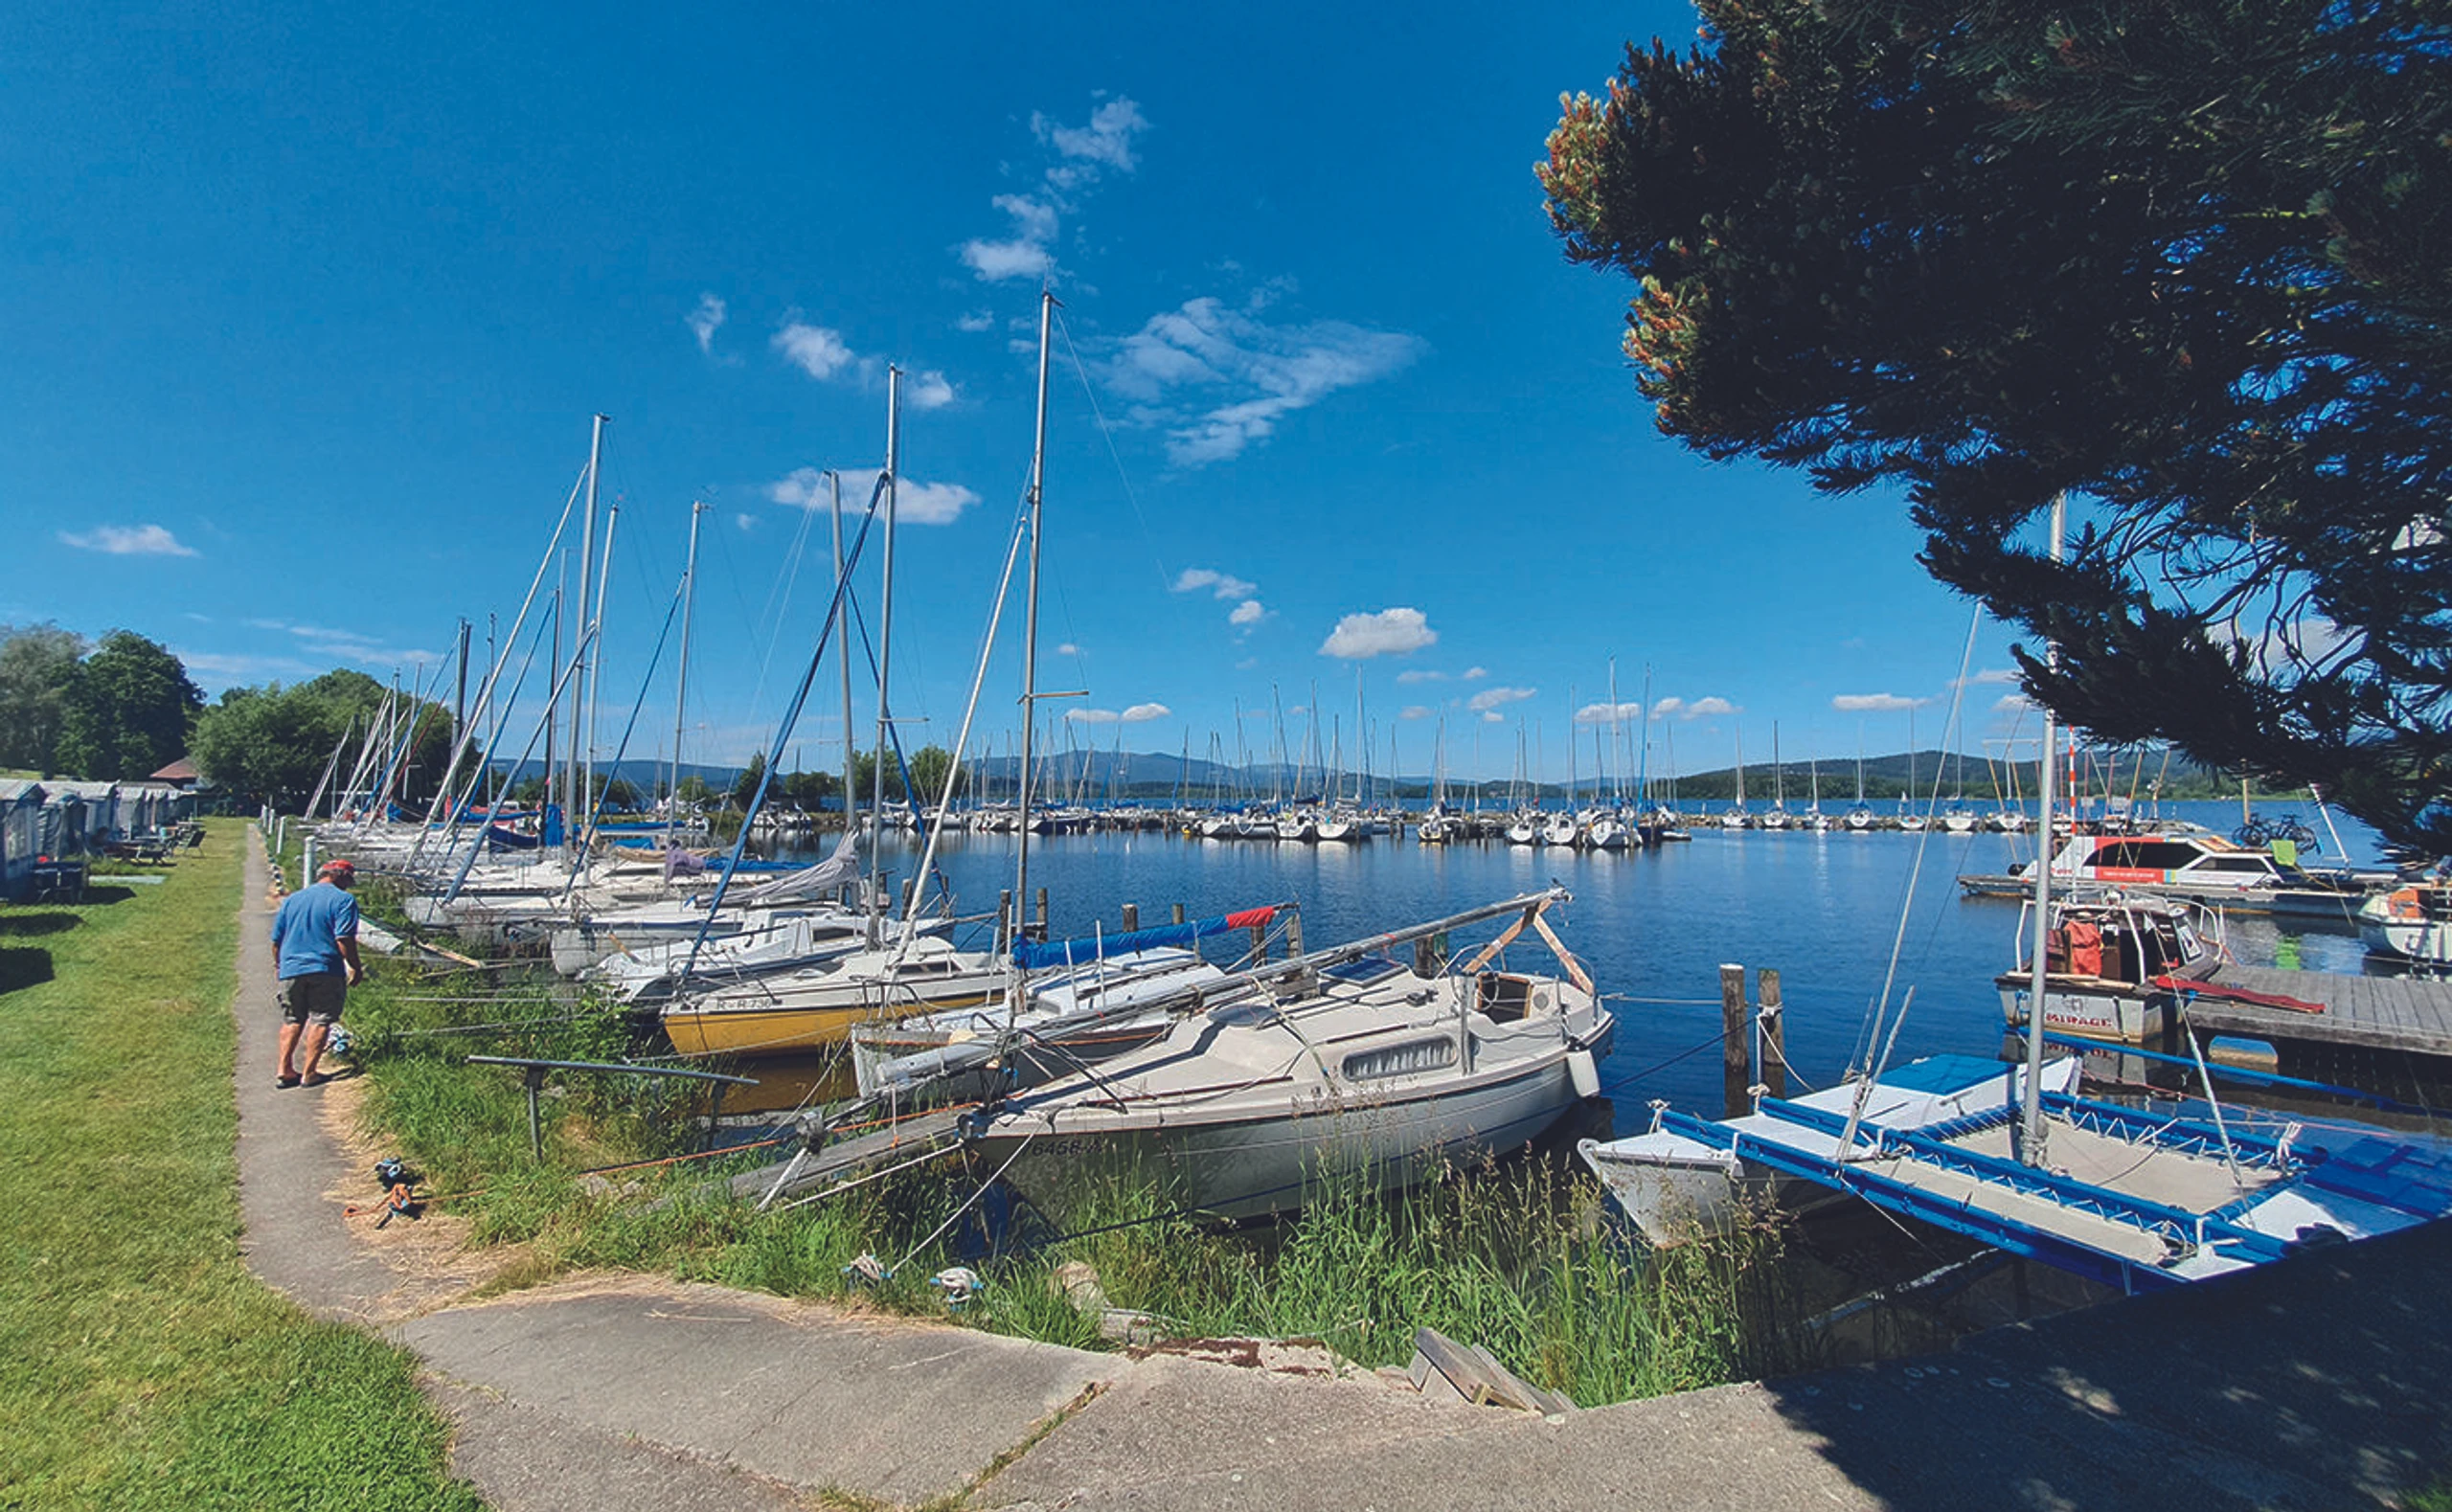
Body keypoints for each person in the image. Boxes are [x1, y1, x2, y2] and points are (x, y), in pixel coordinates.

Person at [271, 856, 363, 1088]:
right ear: (340, 877)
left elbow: (276, 940)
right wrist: (355, 966)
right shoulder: (344, 901)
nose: (348, 885)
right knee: (321, 1019)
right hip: (325, 967)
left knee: (293, 1018)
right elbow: (343, 939)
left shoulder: (293, 900)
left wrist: (279, 965)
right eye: (348, 880)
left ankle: (284, 1069)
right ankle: (309, 1073)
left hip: (291, 966)